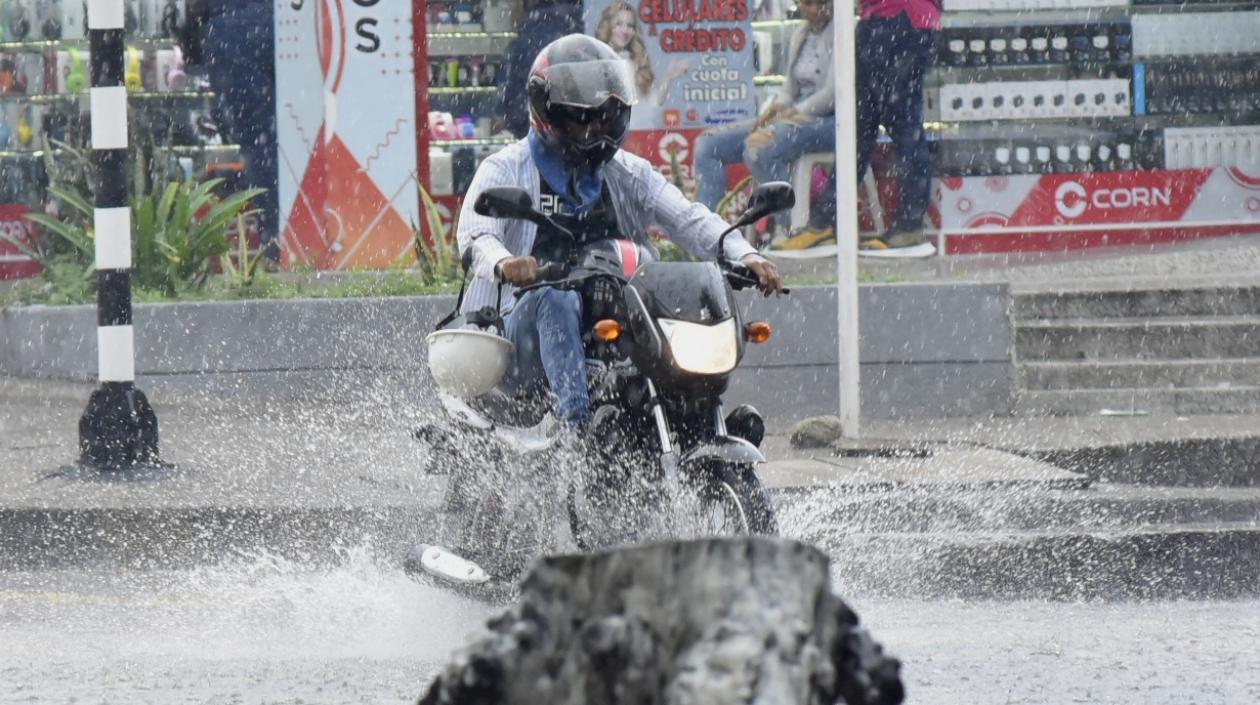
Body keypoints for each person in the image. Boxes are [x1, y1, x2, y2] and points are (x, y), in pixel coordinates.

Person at [457, 34, 782, 433]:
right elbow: (475, 239)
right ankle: (574, 435)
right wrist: (505, 263)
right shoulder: (505, 169)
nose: (595, 128)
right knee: (553, 298)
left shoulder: (626, 172)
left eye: (605, 115)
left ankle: (697, 425)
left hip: (612, 328)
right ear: (550, 113)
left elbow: (689, 218)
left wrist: (744, 254)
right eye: (582, 117)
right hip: (519, 337)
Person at [787, 0, 939, 257]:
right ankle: (825, 222)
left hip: (898, 20)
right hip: (886, 21)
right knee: (857, 128)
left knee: (899, 127)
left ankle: (907, 226)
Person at [692, 0, 835, 249]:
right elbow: (790, 87)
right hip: (793, 115)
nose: (817, 10)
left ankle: (787, 226)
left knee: (761, 146)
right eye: (809, 3)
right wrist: (772, 110)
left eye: (823, 3)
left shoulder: (841, 32)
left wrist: (788, 114)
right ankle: (706, 231)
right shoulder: (801, 33)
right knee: (708, 144)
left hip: (829, 120)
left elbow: (833, 94)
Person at [496, 0, 584, 139]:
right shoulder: (574, 25)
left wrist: (510, 117)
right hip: (567, 122)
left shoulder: (532, 33)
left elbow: (515, 87)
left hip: (536, 120)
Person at [594, 1, 688, 106]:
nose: (625, 31)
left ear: (634, 31)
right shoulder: (596, 61)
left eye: (630, 26)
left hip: (637, 122)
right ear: (608, 26)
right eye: (618, 24)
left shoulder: (634, 63)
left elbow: (651, 103)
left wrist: (669, 77)